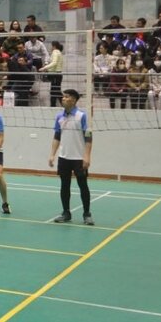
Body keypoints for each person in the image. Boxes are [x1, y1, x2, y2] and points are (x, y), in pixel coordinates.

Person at [49, 89, 94, 225]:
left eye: (67, 97)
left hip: (79, 158)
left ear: (74, 100)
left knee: (83, 185)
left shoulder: (82, 116)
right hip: (64, 157)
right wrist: (52, 154)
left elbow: (89, 137)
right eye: (63, 96)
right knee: (64, 186)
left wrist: (87, 157)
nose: (63, 98)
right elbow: (57, 136)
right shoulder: (59, 117)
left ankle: (87, 214)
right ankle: (66, 212)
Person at [39, 41, 64, 107]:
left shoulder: (55, 52)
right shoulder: (59, 52)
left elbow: (54, 63)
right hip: (56, 74)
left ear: (54, 46)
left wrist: (44, 68)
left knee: (55, 91)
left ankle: (61, 105)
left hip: (56, 74)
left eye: (51, 46)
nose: (51, 47)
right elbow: (53, 62)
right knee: (55, 91)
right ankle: (53, 105)